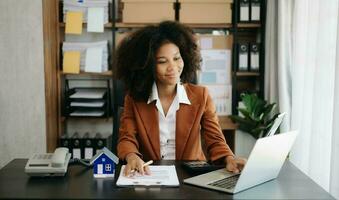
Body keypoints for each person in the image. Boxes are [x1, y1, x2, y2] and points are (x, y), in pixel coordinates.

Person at [114, 21, 246, 176]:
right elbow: (127, 138)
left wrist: (229, 158)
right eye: (162, 61)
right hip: (150, 175)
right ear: (147, 66)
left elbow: (215, 140)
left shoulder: (201, 96)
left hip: (190, 177)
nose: (173, 67)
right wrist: (131, 156)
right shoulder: (134, 99)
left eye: (177, 58)